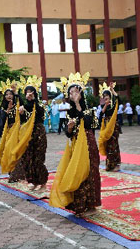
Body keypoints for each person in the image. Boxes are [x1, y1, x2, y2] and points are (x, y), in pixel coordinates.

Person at [50, 72, 101, 217]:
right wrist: (70, 128)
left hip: (88, 144)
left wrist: (79, 104)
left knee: (89, 172)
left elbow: (91, 123)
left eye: (76, 91)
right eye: (71, 93)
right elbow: (68, 133)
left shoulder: (90, 109)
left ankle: (91, 205)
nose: (73, 95)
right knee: (76, 172)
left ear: (81, 93)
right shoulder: (69, 113)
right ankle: (79, 205)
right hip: (75, 145)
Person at [8, 77, 48, 191]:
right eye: (27, 92)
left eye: (31, 92)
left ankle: (43, 182)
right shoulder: (24, 107)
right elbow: (22, 117)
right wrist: (17, 97)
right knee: (28, 158)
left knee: (38, 158)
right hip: (28, 134)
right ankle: (33, 181)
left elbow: (40, 113)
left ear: (35, 93)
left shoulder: (39, 104)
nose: (28, 94)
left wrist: (34, 99)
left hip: (39, 133)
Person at [98, 82, 121, 172]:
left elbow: (119, 99)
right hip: (106, 126)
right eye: (104, 96)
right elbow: (100, 115)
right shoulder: (103, 105)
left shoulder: (114, 103)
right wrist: (105, 106)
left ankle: (117, 164)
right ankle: (110, 164)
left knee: (114, 145)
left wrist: (112, 90)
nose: (105, 97)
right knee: (108, 146)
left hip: (114, 127)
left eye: (107, 95)